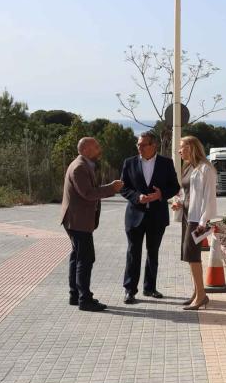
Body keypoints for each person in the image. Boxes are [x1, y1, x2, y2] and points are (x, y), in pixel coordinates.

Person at [60, 137, 124, 312]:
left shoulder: (83, 165)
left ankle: (75, 295)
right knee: (85, 259)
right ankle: (85, 299)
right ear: (86, 150)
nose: (99, 149)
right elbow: (88, 193)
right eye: (96, 147)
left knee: (77, 257)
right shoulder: (79, 167)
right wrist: (112, 188)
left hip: (76, 220)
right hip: (77, 221)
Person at [119, 132, 180, 304]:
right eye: (138, 144)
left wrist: (161, 195)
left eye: (143, 144)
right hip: (134, 216)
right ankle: (129, 290)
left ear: (154, 146)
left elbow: (174, 187)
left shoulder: (166, 163)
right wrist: (137, 197)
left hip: (157, 216)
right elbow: (123, 188)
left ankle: (150, 288)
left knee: (153, 253)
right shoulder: (129, 162)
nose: (139, 147)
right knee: (133, 253)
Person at [172, 136, 217, 310]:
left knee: (192, 256)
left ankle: (201, 296)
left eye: (182, 147)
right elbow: (185, 192)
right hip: (187, 217)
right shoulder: (189, 167)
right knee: (189, 256)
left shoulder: (206, 169)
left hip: (197, 219)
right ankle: (197, 292)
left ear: (191, 148)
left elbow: (209, 197)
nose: (179, 151)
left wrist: (203, 221)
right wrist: (178, 202)